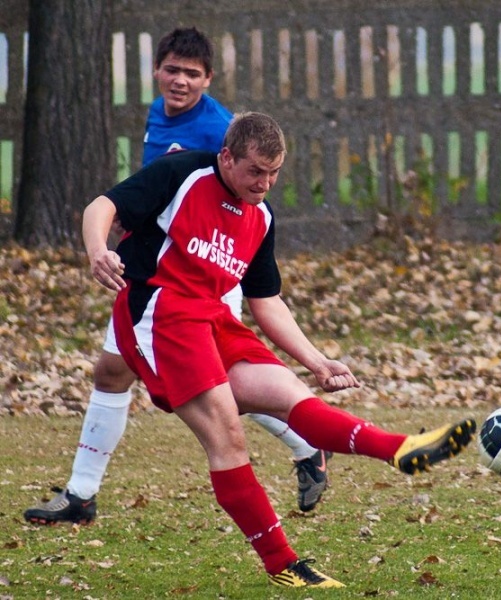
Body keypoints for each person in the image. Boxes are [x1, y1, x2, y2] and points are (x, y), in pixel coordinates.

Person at [80, 111, 475, 588]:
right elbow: (101, 205)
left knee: (290, 394)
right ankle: (282, 564)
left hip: (213, 319)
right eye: (254, 171)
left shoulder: (261, 216)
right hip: (159, 317)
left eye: (274, 173)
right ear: (227, 158)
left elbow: (266, 301)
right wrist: (98, 249)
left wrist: (316, 360)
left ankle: (400, 449)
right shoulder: (183, 174)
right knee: (228, 434)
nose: (264, 183)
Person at [24, 28, 327, 528]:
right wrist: (132, 220)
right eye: (172, 70)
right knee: (113, 372)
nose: (180, 81)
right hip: (156, 274)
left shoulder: (221, 132)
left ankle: (306, 443)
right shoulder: (159, 114)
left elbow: (237, 210)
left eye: (192, 73)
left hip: (199, 282)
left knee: (225, 388)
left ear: (209, 79)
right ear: (157, 71)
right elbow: (154, 190)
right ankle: (81, 494)